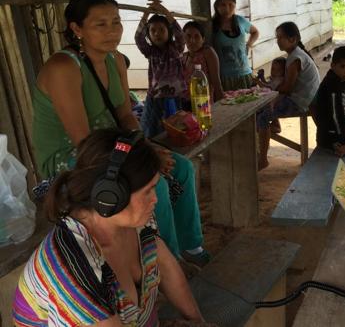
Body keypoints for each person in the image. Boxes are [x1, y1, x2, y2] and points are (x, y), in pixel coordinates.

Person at [31, 0, 209, 267]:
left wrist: (147, 146)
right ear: (77, 28)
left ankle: (192, 247)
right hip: (74, 156)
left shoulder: (115, 61)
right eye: (100, 24)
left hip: (115, 145)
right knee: (154, 184)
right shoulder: (63, 67)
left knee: (182, 168)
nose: (112, 31)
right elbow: (83, 140)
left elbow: (126, 115)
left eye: (116, 22)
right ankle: (168, 263)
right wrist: (141, 156)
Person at [13, 128, 203, 325]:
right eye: (148, 191)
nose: (155, 199)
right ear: (110, 196)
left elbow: (165, 267)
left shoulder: (134, 221)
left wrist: (199, 322)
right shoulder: (75, 270)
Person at [257, 21, 320, 170]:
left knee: (261, 116)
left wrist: (271, 91)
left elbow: (287, 88)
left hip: (301, 102)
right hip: (303, 98)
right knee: (260, 110)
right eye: (277, 37)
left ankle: (263, 158)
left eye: (280, 37)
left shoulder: (295, 58)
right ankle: (268, 129)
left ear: (292, 39)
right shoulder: (296, 54)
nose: (278, 41)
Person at [135, 0, 188, 137]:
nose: (157, 33)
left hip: (176, 96)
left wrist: (165, 12)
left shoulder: (176, 49)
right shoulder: (150, 52)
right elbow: (138, 38)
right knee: (151, 129)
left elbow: (180, 34)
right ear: (149, 35)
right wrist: (146, 14)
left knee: (175, 127)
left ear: (169, 32)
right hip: (156, 98)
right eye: (153, 31)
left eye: (161, 30)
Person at [212, 0, 259, 91]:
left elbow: (255, 32)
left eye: (231, 5)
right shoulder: (212, 26)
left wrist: (249, 44)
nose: (227, 9)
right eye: (223, 5)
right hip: (225, 78)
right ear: (217, 6)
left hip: (245, 74)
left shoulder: (240, 21)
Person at [182, 20, 224, 102]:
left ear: (203, 39)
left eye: (197, 36)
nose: (192, 40)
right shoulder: (183, 57)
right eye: (188, 36)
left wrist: (222, 106)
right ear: (183, 38)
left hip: (203, 104)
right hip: (186, 103)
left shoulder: (208, 53)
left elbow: (216, 82)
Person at [256, 57, 287, 134]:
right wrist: (262, 77)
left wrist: (258, 82)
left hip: (277, 102)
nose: (274, 72)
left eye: (278, 70)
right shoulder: (275, 78)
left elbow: (269, 88)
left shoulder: (280, 80)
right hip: (273, 101)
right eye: (273, 69)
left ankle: (272, 127)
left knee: (260, 110)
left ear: (284, 71)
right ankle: (274, 125)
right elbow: (267, 84)